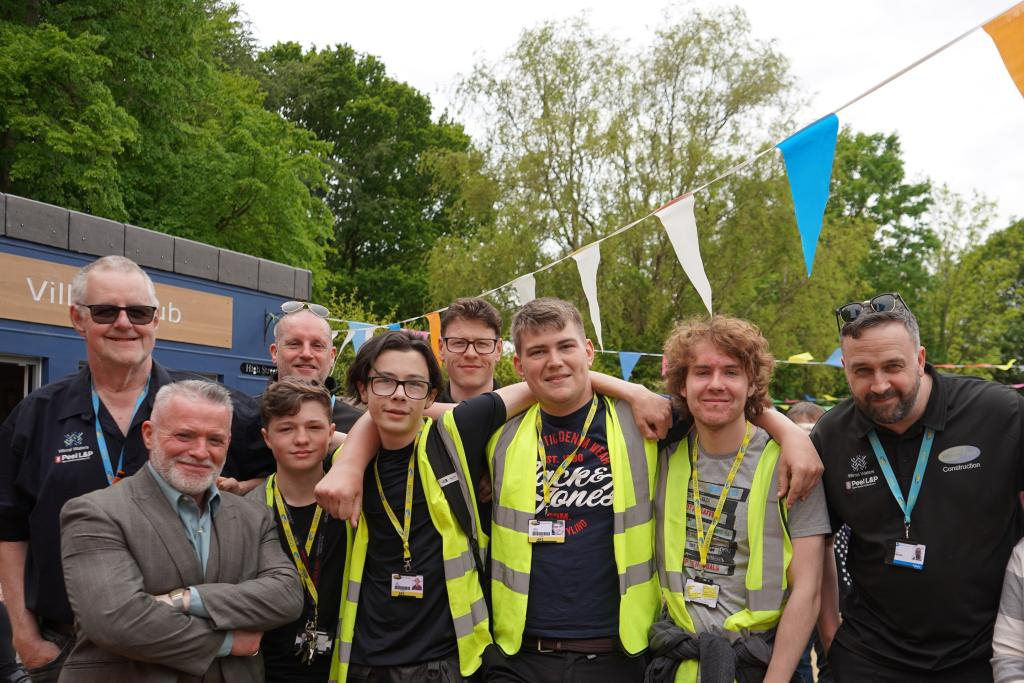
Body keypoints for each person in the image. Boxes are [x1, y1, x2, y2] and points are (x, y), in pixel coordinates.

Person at [318, 299, 822, 683]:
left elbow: (723, 397)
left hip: (619, 655)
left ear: (588, 353)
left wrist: (791, 433)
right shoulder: (497, 431)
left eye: (565, 348)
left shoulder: (644, 418)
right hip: (516, 656)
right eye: (537, 352)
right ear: (519, 364)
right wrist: (348, 462)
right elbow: (402, 417)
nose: (554, 362)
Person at [0, 255, 263, 681]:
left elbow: (297, 453)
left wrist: (246, 490)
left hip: (187, 648)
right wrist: (24, 634)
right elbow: (10, 528)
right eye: (106, 311)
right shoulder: (36, 416)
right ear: (77, 319)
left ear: (156, 321)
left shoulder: (204, 407)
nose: (124, 323)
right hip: (67, 646)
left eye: (138, 311)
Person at [814, 293, 1024, 682]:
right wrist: (832, 639)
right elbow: (817, 543)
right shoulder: (831, 435)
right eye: (862, 371)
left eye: (893, 366)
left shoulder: (999, 412)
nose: (879, 385)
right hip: (870, 658)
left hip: (983, 654)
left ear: (921, 359)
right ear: (844, 368)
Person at [58, 380, 304, 681]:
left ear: (228, 443)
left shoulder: (253, 515)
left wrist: (186, 599)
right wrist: (227, 642)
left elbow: (287, 596)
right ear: (149, 435)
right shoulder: (95, 513)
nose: (201, 452)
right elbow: (117, 620)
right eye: (185, 436)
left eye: (215, 440)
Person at [331, 330, 538, 682]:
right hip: (364, 660)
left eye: (414, 385)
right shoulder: (343, 465)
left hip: (446, 663)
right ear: (363, 389)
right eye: (384, 382)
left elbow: (543, 382)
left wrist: (635, 391)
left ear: (430, 396)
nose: (398, 394)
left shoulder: (456, 437)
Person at [645, 317, 829, 683]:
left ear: (751, 385)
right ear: (682, 384)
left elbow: (807, 590)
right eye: (702, 372)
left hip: (756, 667)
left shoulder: (791, 465)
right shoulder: (658, 456)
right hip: (675, 665)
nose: (716, 384)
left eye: (731, 372)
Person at [244, 377, 348, 682]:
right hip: (267, 668)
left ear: (331, 434)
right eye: (287, 429)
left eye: (314, 427)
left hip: (343, 666)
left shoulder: (355, 502)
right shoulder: (244, 511)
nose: (301, 439)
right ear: (267, 438)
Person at [221, 301, 363, 492]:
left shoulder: (360, 426)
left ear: (332, 356)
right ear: (274, 352)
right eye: (294, 344)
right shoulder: (241, 419)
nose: (306, 354)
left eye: (317, 345)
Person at [437, 298, 504, 403]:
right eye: (459, 343)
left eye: (482, 343)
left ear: (498, 350)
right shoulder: (418, 416)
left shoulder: (529, 415)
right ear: (441, 348)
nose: (471, 354)